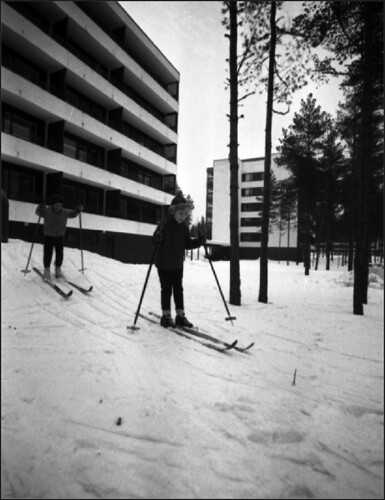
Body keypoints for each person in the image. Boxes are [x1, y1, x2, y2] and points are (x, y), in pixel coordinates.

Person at [153, 194, 205, 328]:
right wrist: (157, 237)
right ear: (173, 211)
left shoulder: (184, 228)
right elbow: (155, 239)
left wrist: (198, 242)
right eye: (180, 213)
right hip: (164, 264)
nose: (183, 216)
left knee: (178, 289)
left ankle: (180, 316)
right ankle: (166, 316)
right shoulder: (165, 225)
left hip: (177, 264)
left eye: (185, 213)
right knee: (166, 290)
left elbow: (186, 243)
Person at [35, 194, 83, 281]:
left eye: (60, 205)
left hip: (60, 236)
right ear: (52, 205)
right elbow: (38, 212)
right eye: (56, 205)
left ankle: (58, 270)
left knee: (60, 254)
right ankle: (47, 270)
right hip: (49, 235)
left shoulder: (64, 212)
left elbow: (72, 214)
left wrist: (77, 210)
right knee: (48, 254)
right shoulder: (47, 211)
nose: (58, 207)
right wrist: (40, 207)